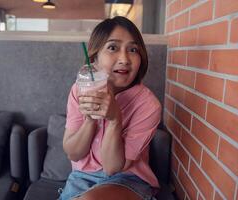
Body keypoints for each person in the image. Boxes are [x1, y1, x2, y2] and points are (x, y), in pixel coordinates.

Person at [61, 16, 162, 200]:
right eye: (113, 47)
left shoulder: (148, 105)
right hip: (80, 178)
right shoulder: (79, 90)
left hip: (127, 180)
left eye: (133, 50)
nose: (124, 59)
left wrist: (115, 119)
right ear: (94, 58)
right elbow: (73, 153)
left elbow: (112, 167)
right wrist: (90, 119)